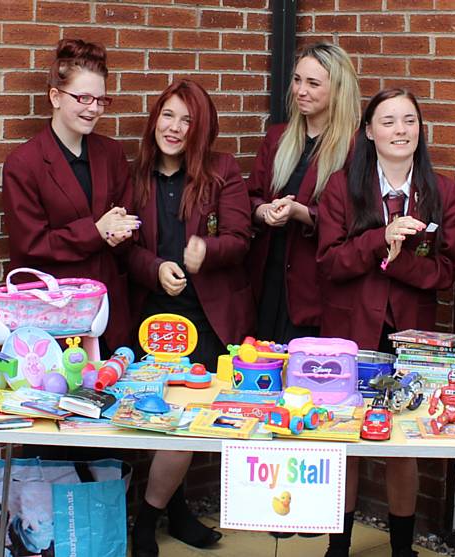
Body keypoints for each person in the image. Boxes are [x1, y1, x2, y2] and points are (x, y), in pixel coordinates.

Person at [317, 88, 455, 557]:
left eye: (409, 121)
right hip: (352, 330)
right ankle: (338, 546)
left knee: (404, 444)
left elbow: (445, 275)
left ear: (421, 130)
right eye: (389, 121)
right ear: (369, 132)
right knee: (345, 438)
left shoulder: (442, 191)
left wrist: (398, 260)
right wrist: (381, 239)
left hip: (412, 338)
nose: (401, 131)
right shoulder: (342, 187)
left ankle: (403, 549)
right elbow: (329, 264)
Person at [127, 79, 255, 557]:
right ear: (155, 118)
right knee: (164, 418)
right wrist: (155, 268)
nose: (175, 127)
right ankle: (174, 513)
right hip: (154, 317)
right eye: (168, 115)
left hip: (207, 318)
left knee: (185, 421)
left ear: (201, 129)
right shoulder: (136, 175)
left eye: (187, 119)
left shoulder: (223, 171)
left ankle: (147, 521)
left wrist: (208, 250)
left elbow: (241, 237)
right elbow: (128, 252)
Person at [2, 38, 139, 354]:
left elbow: (126, 220)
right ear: (55, 97)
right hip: (52, 320)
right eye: (84, 97)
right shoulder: (24, 164)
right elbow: (31, 244)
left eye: (101, 100)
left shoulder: (112, 153)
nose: (93, 108)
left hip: (109, 313)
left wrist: (123, 233)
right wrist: (96, 231)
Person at [247, 42, 360, 343]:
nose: (300, 90)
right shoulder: (277, 138)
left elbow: (357, 221)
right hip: (268, 279)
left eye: (313, 83)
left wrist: (302, 213)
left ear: (337, 89)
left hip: (315, 289)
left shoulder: (355, 148)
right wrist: (264, 211)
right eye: (297, 80)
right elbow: (251, 196)